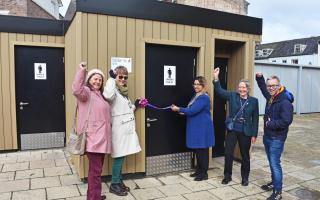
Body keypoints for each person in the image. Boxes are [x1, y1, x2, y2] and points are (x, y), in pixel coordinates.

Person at [72, 62, 112, 200]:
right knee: (95, 172)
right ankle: (94, 198)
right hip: (93, 139)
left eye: (100, 79)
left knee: (96, 171)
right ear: (89, 80)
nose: (98, 81)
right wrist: (82, 71)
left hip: (102, 139)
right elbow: (76, 89)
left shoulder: (100, 95)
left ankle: (93, 196)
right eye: (95, 78)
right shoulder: (86, 93)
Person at [213, 67, 259, 186]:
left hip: (246, 131)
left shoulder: (254, 101)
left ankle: (245, 178)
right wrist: (216, 77)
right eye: (240, 87)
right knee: (228, 153)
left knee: (245, 156)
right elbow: (219, 91)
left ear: (248, 89)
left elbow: (255, 119)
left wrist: (254, 134)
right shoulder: (233, 96)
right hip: (232, 130)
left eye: (243, 87)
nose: (241, 89)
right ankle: (227, 176)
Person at [103, 66, 142, 196]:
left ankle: (119, 181)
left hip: (126, 128)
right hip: (119, 129)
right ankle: (114, 184)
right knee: (119, 156)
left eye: (125, 77)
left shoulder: (123, 93)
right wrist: (111, 79)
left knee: (122, 155)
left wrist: (136, 104)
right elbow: (107, 95)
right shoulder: (113, 90)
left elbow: (126, 109)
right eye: (120, 77)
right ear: (115, 77)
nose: (123, 79)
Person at [256, 73, 294, 200]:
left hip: (277, 138)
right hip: (268, 136)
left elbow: (286, 121)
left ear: (279, 86)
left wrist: (270, 123)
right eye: (269, 86)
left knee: (275, 164)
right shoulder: (272, 97)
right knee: (271, 163)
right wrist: (259, 79)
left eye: (273, 86)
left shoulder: (284, 101)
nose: (270, 88)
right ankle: (274, 183)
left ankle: (278, 192)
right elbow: (262, 89)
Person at [171, 76, 215, 181]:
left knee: (202, 151)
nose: (195, 86)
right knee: (198, 150)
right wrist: (182, 111)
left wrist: (178, 108)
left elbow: (193, 110)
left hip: (202, 128)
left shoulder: (203, 97)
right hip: (197, 127)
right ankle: (199, 171)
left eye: (198, 84)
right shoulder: (197, 95)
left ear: (203, 85)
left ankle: (204, 174)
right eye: (194, 84)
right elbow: (191, 109)